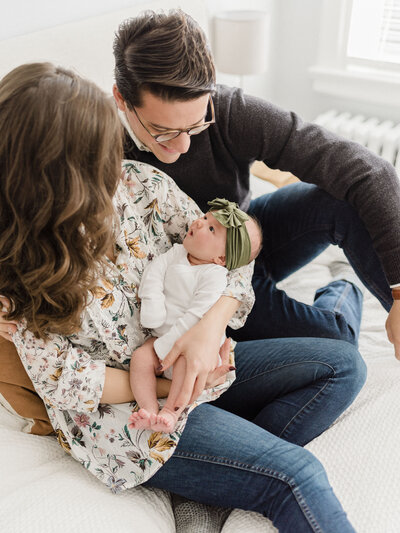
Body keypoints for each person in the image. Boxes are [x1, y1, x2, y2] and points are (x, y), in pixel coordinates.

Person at [0, 62, 365, 532]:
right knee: (296, 474)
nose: (116, 155)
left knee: (343, 365)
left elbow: (232, 259)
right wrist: (181, 388)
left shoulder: (139, 186)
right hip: (131, 418)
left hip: (194, 366)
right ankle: (227, 472)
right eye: (99, 149)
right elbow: (68, 384)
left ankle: (216, 484)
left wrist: (210, 328)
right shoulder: (18, 273)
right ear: (60, 168)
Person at [110, 10, 400, 377]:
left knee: (341, 198)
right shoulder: (100, 147)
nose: (184, 145)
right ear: (122, 99)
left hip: (249, 238)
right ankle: (344, 291)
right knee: (337, 343)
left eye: (196, 125)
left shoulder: (228, 109)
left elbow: (370, 169)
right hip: (204, 283)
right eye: (163, 131)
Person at [129, 199, 262, 433]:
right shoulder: (177, 252)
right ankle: (148, 410)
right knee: (140, 358)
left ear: (221, 259)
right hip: (162, 337)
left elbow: (195, 316)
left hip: (192, 342)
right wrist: (152, 303)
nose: (200, 224)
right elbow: (155, 272)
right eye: (205, 218)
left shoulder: (214, 276)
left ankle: (172, 411)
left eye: (211, 229)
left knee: (184, 366)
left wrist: (168, 348)